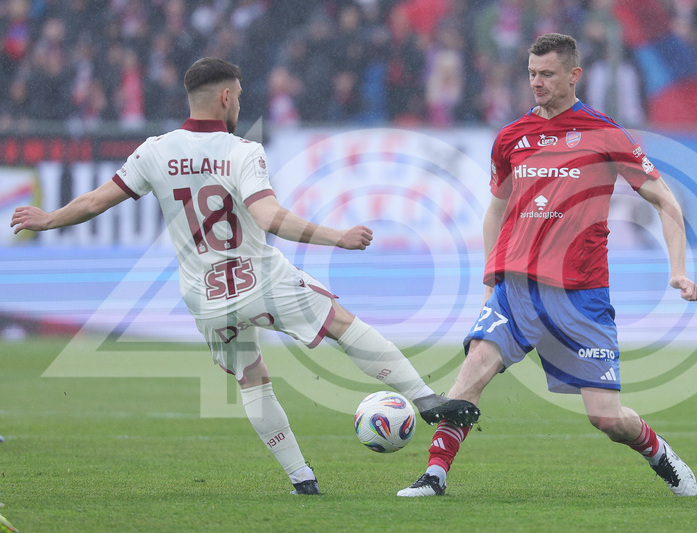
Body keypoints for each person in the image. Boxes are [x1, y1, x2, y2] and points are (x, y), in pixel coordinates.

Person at [11, 57, 479, 495]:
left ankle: (301, 478)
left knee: (252, 377)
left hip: (204, 295)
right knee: (340, 323)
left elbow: (95, 201)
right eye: (237, 95)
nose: (239, 103)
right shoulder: (242, 151)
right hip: (259, 278)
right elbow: (269, 217)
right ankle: (424, 399)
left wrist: (47, 219)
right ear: (225, 98)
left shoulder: (154, 151)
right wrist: (336, 237)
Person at [397, 34, 697, 498]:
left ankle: (660, 454)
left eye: (547, 74)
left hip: (581, 294)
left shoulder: (605, 133)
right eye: (532, 73)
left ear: (574, 75)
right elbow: (496, 210)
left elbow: (665, 200)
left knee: (606, 418)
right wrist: (490, 278)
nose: (536, 82)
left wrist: (678, 269)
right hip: (516, 288)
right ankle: (434, 476)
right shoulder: (511, 137)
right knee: (472, 372)